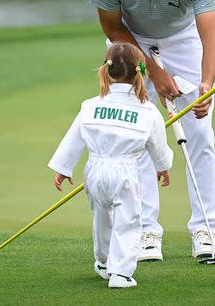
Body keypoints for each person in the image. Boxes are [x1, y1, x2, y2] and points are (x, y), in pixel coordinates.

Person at [89, 0, 215, 262]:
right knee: (136, 134)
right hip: (130, 39)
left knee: (200, 133)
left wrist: (206, 84)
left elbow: (210, 35)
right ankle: (146, 230)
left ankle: (205, 230)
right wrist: (151, 68)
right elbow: (113, 27)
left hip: (182, 39)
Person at [47, 42, 173, 288]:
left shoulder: (90, 105)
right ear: (141, 72)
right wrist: (162, 166)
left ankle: (103, 262)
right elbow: (157, 145)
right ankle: (121, 273)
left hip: (94, 173)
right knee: (127, 222)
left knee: (102, 220)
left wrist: (63, 168)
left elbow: (74, 137)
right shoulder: (147, 111)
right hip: (124, 173)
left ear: (106, 70)